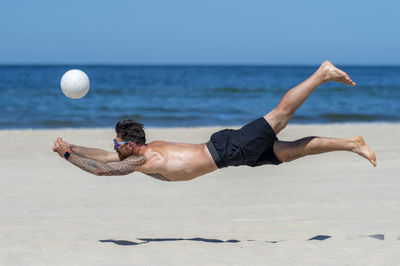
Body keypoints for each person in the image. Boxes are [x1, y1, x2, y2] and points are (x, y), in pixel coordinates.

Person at [53, 61, 377, 182]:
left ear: (132, 144)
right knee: (292, 151)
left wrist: (68, 157)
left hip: (228, 149)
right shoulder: (143, 151)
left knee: (279, 116)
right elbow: (106, 157)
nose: (114, 147)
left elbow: (102, 169)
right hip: (229, 156)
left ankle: (321, 74)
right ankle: (352, 144)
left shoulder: (143, 159)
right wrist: (71, 147)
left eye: (117, 142)